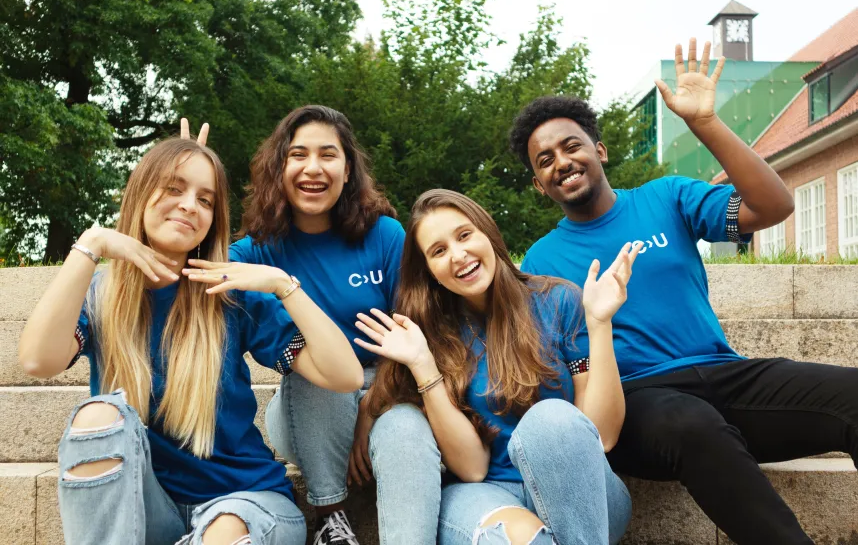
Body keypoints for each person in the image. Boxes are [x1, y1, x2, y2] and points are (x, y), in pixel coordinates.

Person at [512, 39, 858, 544]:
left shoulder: (667, 197)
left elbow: (774, 207)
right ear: (539, 185)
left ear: (599, 151)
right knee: (692, 424)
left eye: (571, 146)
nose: (561, 162)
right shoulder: (541, 262)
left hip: (725, 376)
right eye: (545, 160)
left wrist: (705, 123)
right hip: (638, 404)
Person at [17, 126, 364, 545]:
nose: (189, 205)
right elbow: (37, 361)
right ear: (140, 192)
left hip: (244, 502)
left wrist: (282, 284)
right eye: (174, 188)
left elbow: (345, 376)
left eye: (205, 200)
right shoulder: (101, 296)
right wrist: (91, 245)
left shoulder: (230, 296)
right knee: (96, 417)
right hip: (149, 508)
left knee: (223, 533)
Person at [358, 189, 635, 545]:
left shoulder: (557, 301)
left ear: (487, 232)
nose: (458, 255)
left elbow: (603, 435)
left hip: (583, 492)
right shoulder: (432, 335)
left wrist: (599, 324)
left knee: (550, 419)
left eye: (464, 235)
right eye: (439, 251)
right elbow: (473, 468)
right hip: (490, 493)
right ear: (429, 271)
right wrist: (423, 365)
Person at [230, 105, 442, 545]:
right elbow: (191, 272)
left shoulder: (385, 236)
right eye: (298, 155)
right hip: (306, 405)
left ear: (347, 171)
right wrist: (183, 180)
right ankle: (330, 519)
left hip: (390, 391)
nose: (313, 168)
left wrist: (370, 407)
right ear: (278, 168)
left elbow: (419, 337)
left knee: (406, 429)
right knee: (315, 369)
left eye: (328, 155)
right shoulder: (256, 251)